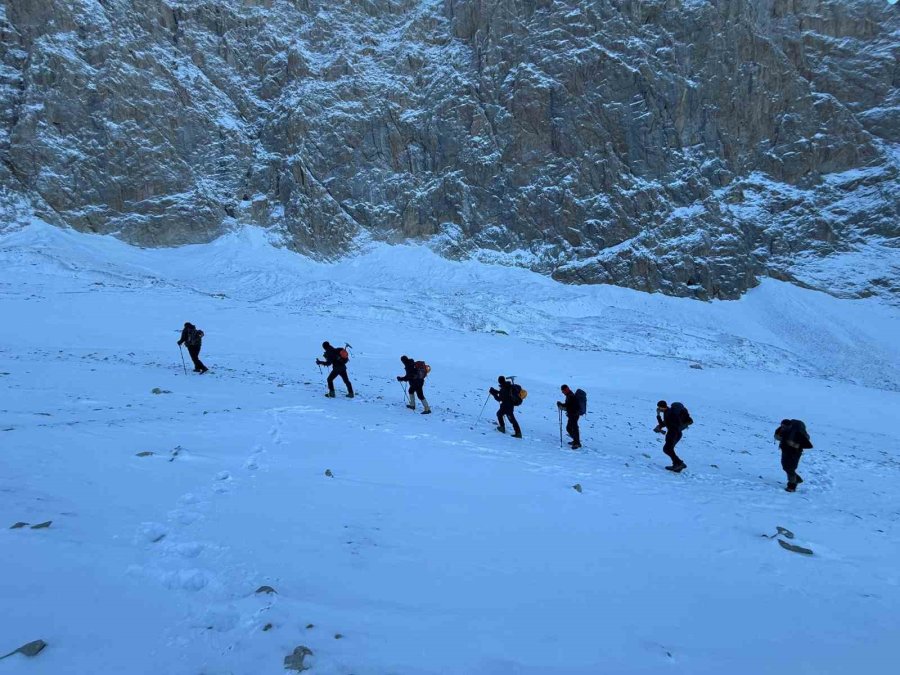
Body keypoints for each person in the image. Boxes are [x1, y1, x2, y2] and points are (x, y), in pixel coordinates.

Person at [774, 419, 813, 492]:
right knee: (785, 467)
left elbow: (805, 443)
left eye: (784, 426)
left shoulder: (798, 433)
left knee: (790, 468)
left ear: (790, 426)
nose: (782, 428)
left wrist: (792, 443)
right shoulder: (782, 430)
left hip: (795, 453)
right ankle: (797, 479)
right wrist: (782, 438)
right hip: (785, 450)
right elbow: (776, 436)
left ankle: (792, 486)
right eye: (782, 426)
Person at [654, 400, 687, 472]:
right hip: (677, 433)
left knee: (667, 449)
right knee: (669, 449)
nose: (658, 409)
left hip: (673, 433)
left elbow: (663, 424)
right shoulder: (669, 412)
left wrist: (658, 415)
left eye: (659, 407)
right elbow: (665, 423)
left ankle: (679, 463)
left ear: (661, 407)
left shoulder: (668, 413)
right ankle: (677, 465)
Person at [557, 384, 581, 449]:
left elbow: (568, 407)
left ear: (566, 390)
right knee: (570, 428)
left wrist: (561, 406)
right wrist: (561, 404)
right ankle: (576, 441)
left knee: (573, 428)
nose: (562, 392)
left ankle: (577, 443)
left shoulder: (570, 396)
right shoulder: (569, 395)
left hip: (574, 415)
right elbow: (568, 405)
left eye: (563, 391)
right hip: (573, 415)